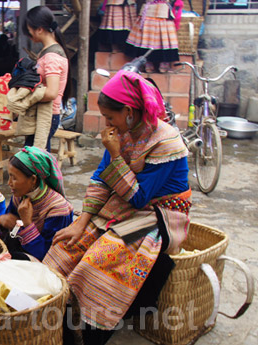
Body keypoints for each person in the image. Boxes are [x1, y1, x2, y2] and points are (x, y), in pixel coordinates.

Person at [43, 69, 190, 344]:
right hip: (123, 207)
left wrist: (114, 153)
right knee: (64, 248)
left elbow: (139, 198)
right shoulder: (123, 132)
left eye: (111, 117)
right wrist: (81, 222)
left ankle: (92, 333)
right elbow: (101, 178)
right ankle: (62, 325)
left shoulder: (166, 141)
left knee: (97, 261)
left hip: (159, 215)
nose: (107, 123)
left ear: (130, 111)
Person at [0, 147, 73, 261]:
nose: (9, 183)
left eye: (14, 178)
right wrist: (3, 221)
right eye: (9, 176)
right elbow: (10, 233)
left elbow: (47, 255)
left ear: (33, 180)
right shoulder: (20, 196)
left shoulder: (58, 209)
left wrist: (27, 223)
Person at [22, 6, 71, 151]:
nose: (29, 34)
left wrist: (26, 99)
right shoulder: (47, 51)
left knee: (34, 160)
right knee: (37, 159)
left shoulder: (52, 57)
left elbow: (51, 92)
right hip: (43, 114)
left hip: (47, 115)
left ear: (39, 29)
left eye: (29, 30)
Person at [125, 0, 181, 73]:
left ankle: (152, 64)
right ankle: (151, 63)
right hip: (153, 12)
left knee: (149, 38)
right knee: (158, 38)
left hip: (161, 12)